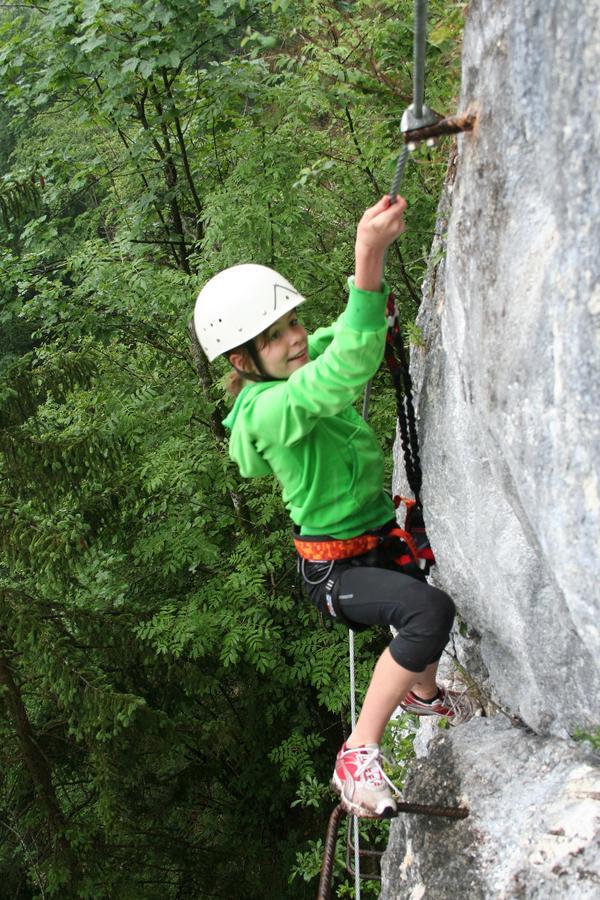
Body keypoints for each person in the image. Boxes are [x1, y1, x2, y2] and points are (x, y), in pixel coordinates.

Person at [194, 195, 472, 819]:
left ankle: (424, 696)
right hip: (334, 573)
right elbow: (341, 370)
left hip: (370, 543)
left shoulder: (287, 371)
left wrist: (361, 304)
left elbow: (331, 341)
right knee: (430, 610)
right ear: (243, 362)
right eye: (274, 337)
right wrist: (368, 259)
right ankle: (358, 750)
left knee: (421, 628)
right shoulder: (270, 409)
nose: (294, 338)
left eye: (291, 322)